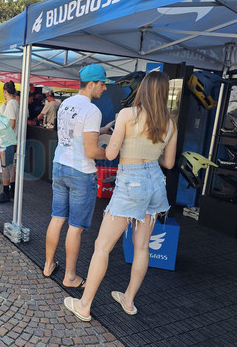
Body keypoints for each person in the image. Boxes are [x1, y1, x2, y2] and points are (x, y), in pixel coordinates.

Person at [63, 71, 177, 321]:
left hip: (131, 183)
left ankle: (84, 305)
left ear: (144, 90)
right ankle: (128, 299)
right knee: (142, 247)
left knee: (102, 247)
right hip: (156, 183)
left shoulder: (127, 115)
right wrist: (148, 152)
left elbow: (112, 154)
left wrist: (112, 139)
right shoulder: (170, 122)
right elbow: (168, 162)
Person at [43, 64, 113, 289]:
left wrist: (101, 130)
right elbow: (91, 152)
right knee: (75, 226)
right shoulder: (92, 110)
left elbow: (73, 132)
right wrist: (111, 152)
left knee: (57, 217)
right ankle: (70, 277)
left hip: (60, 165)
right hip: (81, 173)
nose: (104, 89)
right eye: (102, 84)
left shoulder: (66, 104)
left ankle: (47, 265)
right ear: (91, 84)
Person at [0, 80, 19, 203]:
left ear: (5, 91)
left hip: (8, 140)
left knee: (5, 167)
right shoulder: (14, 103)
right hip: (12, 140)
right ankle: (12, 190)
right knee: (10, 167)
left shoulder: (11, 104)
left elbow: (11, 123)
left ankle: (5, 192)